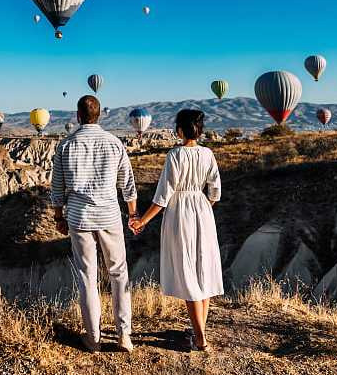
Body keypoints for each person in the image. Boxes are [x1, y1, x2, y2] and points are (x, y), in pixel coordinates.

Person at [130, 109, 223, 351]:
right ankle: (198, 331)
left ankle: (200, 337)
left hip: (180, 212)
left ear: (180, 130)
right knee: (203, 271)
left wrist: (141, 221)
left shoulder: (175, 155)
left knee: (188, 272)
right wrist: (201, 205)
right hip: (203, 211)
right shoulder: (208, 154)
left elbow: (163, 196)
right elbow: (215, 192)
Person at [51, 95, 138, 353]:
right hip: (110, 215)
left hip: (79, 218)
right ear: (100, 115)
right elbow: (128, 183)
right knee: (119, 273)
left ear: (78, 116)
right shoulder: (114, 144)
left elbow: (57, 188)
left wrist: (59, 217)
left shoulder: (66, 146)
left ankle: (94, 339)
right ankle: (124, 336)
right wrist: (132, 214)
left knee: (87, 278)